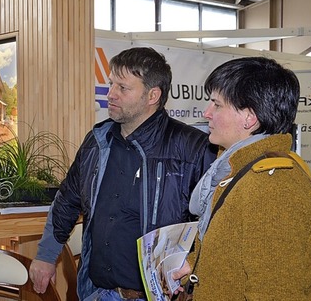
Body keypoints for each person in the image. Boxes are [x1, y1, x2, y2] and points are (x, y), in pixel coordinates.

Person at [29, 47, 216, 301]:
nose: (111, 94)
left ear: (152, 95)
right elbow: (67, 199)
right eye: (111, 84)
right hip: (97, 293)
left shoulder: (193, 147)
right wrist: (45, 255)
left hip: (157, 296)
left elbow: (214, 224)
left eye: (123, 88)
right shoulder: (98, 140)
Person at [172, 57, 311, 300]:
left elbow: (277, 292)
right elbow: (237, 247)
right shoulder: (238, 170)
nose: (206, 113)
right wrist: (195, 264)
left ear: (249, 118)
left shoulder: (274, 188)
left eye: (217, 104)